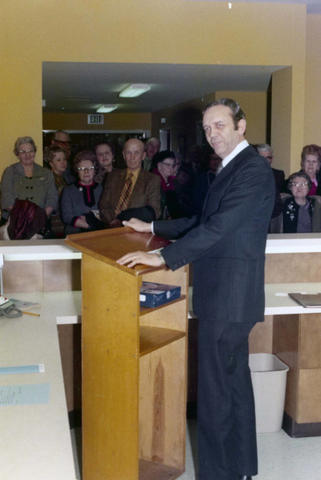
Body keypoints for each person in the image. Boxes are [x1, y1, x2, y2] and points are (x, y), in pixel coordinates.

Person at [117, 98, 275, 480]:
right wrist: (152, 229)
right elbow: (203, 221)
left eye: (219, 125)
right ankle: (240, 468)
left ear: (241, 126)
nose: (212, 134)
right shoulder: (232, 168)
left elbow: (218, 230)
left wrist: (164, 258)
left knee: (216, 393)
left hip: (229, 299)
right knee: (233, 386)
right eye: (207, 128)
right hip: (230, 300)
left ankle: (219, 474)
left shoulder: (251, 170)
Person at [99, 138, 161, 226]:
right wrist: (113, 222)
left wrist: (122, 221)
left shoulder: (152, 180)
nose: (132, 157)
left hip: (137, 231)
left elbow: (155, 211)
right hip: (111, 229)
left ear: (143, 156)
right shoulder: (112, 176)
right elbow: (103, 206)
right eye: (129, 153)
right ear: (124, 155)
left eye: (136, 153)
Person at [1, 136, 58, 221]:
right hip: (14, 221)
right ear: (17, 154)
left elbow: (52, 198)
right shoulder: (10, 172)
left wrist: (41, 217)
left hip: (40, 220)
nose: (27, 155)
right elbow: (6, 197)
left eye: (30, 151)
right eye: (23, 152)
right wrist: (21, 217)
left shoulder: (46, 173)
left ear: (35, 152)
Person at [60, 150, 104, 234]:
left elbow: (106, 213)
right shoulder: (68, 191)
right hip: (75, 234)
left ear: (95, 170)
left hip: (99, 234)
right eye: (82, 169)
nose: (86, 172)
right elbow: (67, 217)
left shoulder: (102, 189)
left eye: (90, 168)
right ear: (77, 171)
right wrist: (91, 226)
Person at [152, 150, 182, 219]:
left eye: (173, 165)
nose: (171, 168)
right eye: (168, 165)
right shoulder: (153, 182)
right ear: (159, 166)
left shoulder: (173, 181)